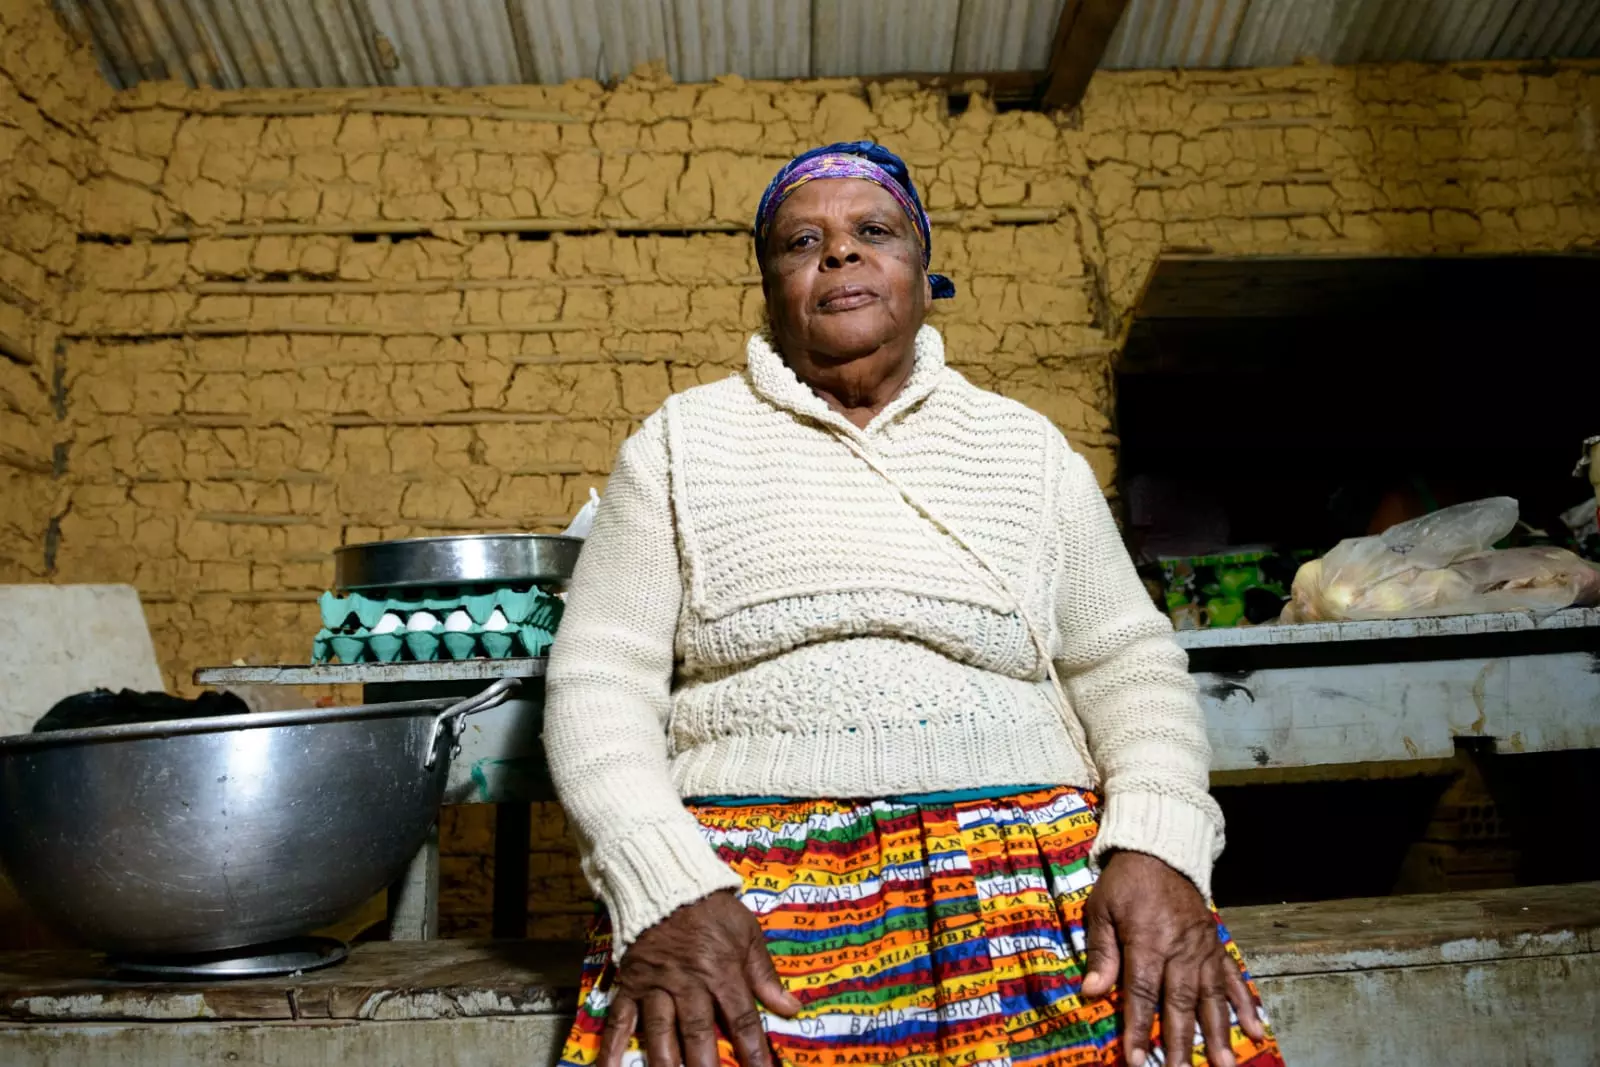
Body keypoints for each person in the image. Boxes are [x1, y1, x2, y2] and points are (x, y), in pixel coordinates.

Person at [545, 141, 1285, 1067]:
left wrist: (1160, 848)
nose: (840, 253)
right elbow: (599, 676)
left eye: (874, 231)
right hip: (740, 886)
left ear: (924, 273)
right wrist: (662, 886)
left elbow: (1127, 661)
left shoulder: (1025, 447)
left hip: (1031, 868)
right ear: (772, 287)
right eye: (801, 239)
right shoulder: (679, 444)